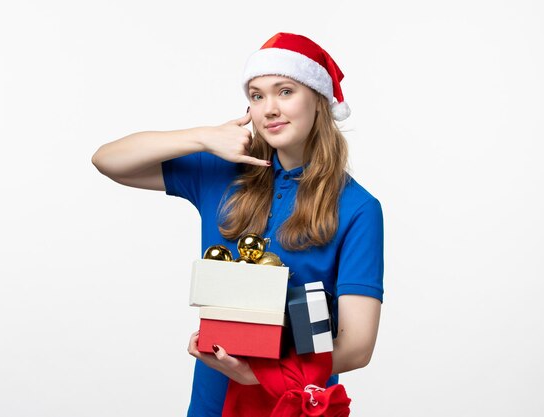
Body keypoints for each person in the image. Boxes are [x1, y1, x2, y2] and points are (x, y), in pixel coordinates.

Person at [92, 32, 384, 417]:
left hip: (295, 403)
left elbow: (357, 346)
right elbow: (108, 160)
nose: (269, 109)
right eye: (257, 95)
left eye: (285, 91)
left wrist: (261, 374)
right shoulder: (223, 174)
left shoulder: (358, 207)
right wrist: (201, 138)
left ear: (317, 99)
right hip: (212, 403)